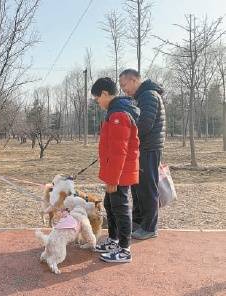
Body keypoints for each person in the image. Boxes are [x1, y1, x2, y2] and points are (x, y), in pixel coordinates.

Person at [91, 77, 140, 263]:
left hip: (120, 173)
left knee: (120, 209)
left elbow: (120, 151)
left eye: (97, 98)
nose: (97, 102)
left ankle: (124, 249)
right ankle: (114, 240)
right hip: (115, 172)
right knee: (110, 205)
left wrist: (113, 179)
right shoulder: (114, 112)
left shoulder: (119, 114)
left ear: (105, 93)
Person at [119, 69, 166, 240]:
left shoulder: (148, 95)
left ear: (133, 80)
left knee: (147, 187)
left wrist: (126, 135)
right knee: (137, 186)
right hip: (141, 148)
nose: (124, 89)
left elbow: (145, 124)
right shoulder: (141, 97)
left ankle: (150, 227)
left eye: (124, 85)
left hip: (149, 148)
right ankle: (138, 221)